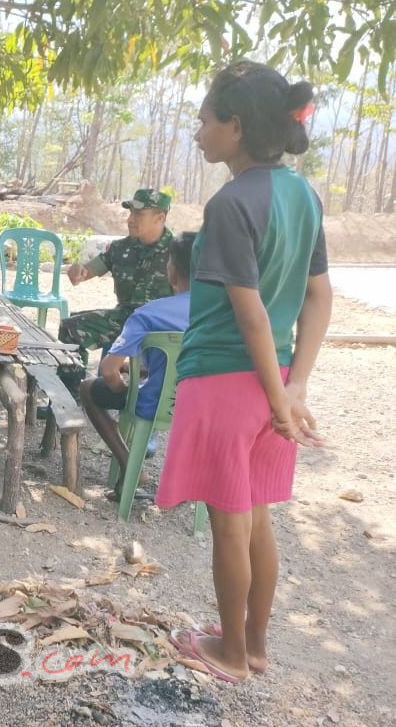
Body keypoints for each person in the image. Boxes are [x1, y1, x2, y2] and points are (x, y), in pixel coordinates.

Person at [157, 62, 331, 684]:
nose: (198, 132)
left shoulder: (232, 202)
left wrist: (284, 400)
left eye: (205, 121)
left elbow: (249, 312)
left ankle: (229, 654)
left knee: (230, 523)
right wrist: (293, 384)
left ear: (235, 127)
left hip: (227, 378)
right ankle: (252, 644)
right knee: (257, 516)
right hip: (273, 378)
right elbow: (318, 296)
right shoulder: (302, 195)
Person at [79, 231, 194, 494]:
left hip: (155, 405)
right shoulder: (226, 315)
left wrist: (124, 390)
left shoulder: (149, 313)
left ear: (172, 271)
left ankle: (131, 465)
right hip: (205, 410)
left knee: (88, 389)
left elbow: (109, 370)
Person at [59, 188, 176, 368]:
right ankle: (71, 391)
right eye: (130, 213)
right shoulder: (121, 249)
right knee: (69, 327)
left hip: (163, 326)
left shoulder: (178, 252)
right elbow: (86, 272)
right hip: (126, 320)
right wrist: (78, 270)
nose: (131, 220)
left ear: (159, 218)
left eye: (139, 214)